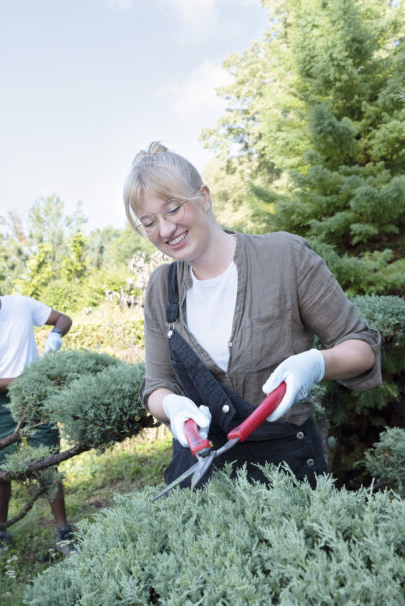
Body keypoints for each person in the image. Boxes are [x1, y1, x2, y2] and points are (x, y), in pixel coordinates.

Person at [124, 142, 382, 490]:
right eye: (149, 222)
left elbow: (362, 348)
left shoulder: (284, 257)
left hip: (288, 474)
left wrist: (316, 364)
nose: (165, 230)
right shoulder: (161, 287)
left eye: (173, 209)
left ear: (204, 196)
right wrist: (172, 407)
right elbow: (156, 385)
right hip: (201, 477)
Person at [0, 263, 76, 557]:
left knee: (48, 462)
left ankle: (62, 530)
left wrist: (56, 334)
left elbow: (63, 318)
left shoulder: (21, 305)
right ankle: (0, 533)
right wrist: (27, 379)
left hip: (36, 398)